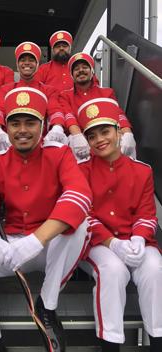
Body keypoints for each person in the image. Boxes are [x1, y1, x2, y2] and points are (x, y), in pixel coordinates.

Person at [0, 87, 92, 352]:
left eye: (30, 122)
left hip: (48, 247)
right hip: (11, 246)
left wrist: (37, 239)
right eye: (15, 123)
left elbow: (79, 194)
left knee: (80, 225)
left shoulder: (59, 154)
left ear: (42, 126)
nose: (22, 130)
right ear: (5, 127)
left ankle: (47, 306)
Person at [77, 98, 162, 352]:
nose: (100, 140)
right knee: (112, 270)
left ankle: (158, 340)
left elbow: (147, 214)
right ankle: (110, 344)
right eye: (92, 136)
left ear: (117, 131)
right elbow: (84, 216)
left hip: (136, 239)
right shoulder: (80, 171)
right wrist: (112, 242)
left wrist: (138, 237)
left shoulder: (142, 170)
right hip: (98, 242)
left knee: (156, 269)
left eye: (105, 131)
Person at [0, 41, 67, 154]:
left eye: (31, 60)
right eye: (23, 60)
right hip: (10, 139)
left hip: (40, 140)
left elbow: (55, 111)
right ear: (17, 65)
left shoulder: (48, 90)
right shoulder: (6, 89)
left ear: (37, 64)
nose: (27, 63)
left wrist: (57, 127)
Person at [59, 52, 137, 160]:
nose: (81, 70)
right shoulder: (65, 95)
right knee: (73, 141)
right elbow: (69, 116)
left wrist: (128, 133)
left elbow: (118, 114)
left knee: (125, 140)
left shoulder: (107, 92)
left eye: (85, 67)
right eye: (76, 69)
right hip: (82, 136)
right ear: (72, 75)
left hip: (105, 135)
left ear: (92, 71)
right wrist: (77, 136)